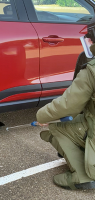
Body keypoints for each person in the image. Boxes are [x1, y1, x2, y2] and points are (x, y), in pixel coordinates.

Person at [36, 15, 95, 190]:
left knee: (56, 128)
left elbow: (67, 105)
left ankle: (81, 177)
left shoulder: (91, 71)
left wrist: (42, 115)